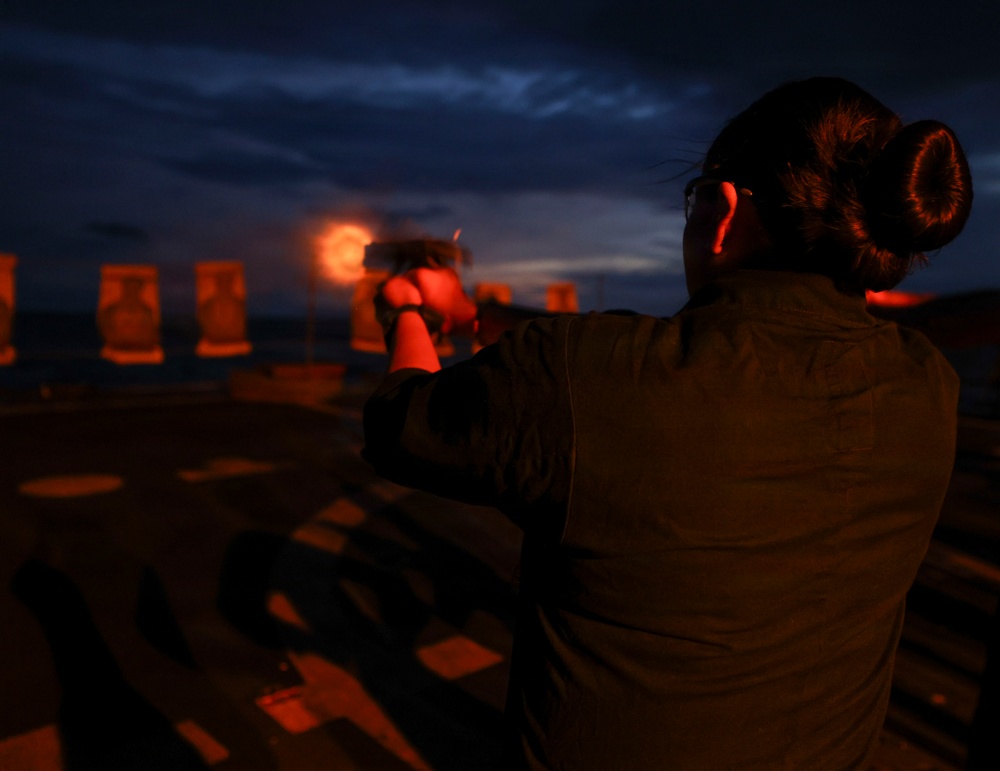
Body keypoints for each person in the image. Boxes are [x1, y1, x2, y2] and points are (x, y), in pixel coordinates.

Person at [362, 77, 973, 769]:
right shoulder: (926, 384)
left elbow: (400, 422)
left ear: (722, 207)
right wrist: (472, 314)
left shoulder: (591, 375)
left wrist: (409, 309)